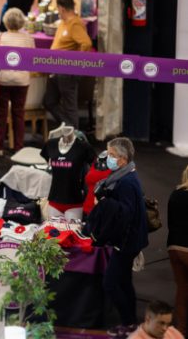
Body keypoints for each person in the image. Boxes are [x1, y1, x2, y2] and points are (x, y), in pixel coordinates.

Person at [95, 138, 149, 337]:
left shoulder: (125, 182)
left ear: (122, 160)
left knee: (110, 283)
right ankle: (131, 322)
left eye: (111, 155)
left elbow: (124, 214)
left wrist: (104, 202)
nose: (107, 158)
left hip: (126, 242)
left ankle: (127, 322)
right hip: (131, 240)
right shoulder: (126, 176)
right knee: (125, 281)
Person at [43, 0, 93, 129]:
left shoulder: (75, 24)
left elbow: (86, 44)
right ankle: (68, 126)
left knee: (69, 105)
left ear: (62, 8)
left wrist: (77, 64)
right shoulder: (63, 23)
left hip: (67, 70)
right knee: (49, 101)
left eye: (58, 9)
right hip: (56, 69)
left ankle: (73, 134)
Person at [0, 8, 35, 155]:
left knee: (1, 114)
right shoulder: (28, 39)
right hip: (22, 81)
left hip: (3, 80)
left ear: (6, 21)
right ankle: (18, 147)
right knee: (19, 114)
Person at [168, 166, 188, 336]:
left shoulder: (176, 194)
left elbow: (171, 222)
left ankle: (180, 330)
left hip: (174, 248)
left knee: (182, 290)